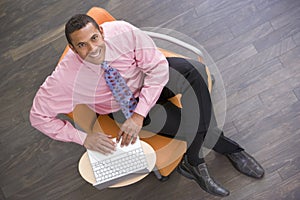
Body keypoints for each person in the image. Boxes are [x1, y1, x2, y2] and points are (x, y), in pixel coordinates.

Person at [30, 14, 264, 197]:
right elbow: (37, 116)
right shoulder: (64, 79)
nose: (92, 49)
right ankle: (230, 150)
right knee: (193, 124)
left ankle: (192, 160)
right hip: (124, 106)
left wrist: (140, 115)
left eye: (94, 38)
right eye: (82, 45)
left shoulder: (122, 31)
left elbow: (158, 68)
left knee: (195, 70)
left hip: (149, 82)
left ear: (101, 32)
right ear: (73, 49)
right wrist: (83, 138)